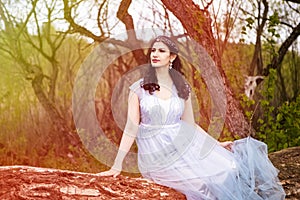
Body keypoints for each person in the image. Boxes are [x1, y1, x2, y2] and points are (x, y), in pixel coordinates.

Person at [98, 36, 286, 200]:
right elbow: (132, 128)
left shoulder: (182, 87)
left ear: (172, 57)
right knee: (198, 185)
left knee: (229, 168)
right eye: (153, 50)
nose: (155, 53)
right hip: (156, 153)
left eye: (161, 51)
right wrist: (117, 165)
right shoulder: (139, 88)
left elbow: (190, 124)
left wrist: (215, 144)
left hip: (184, 144)